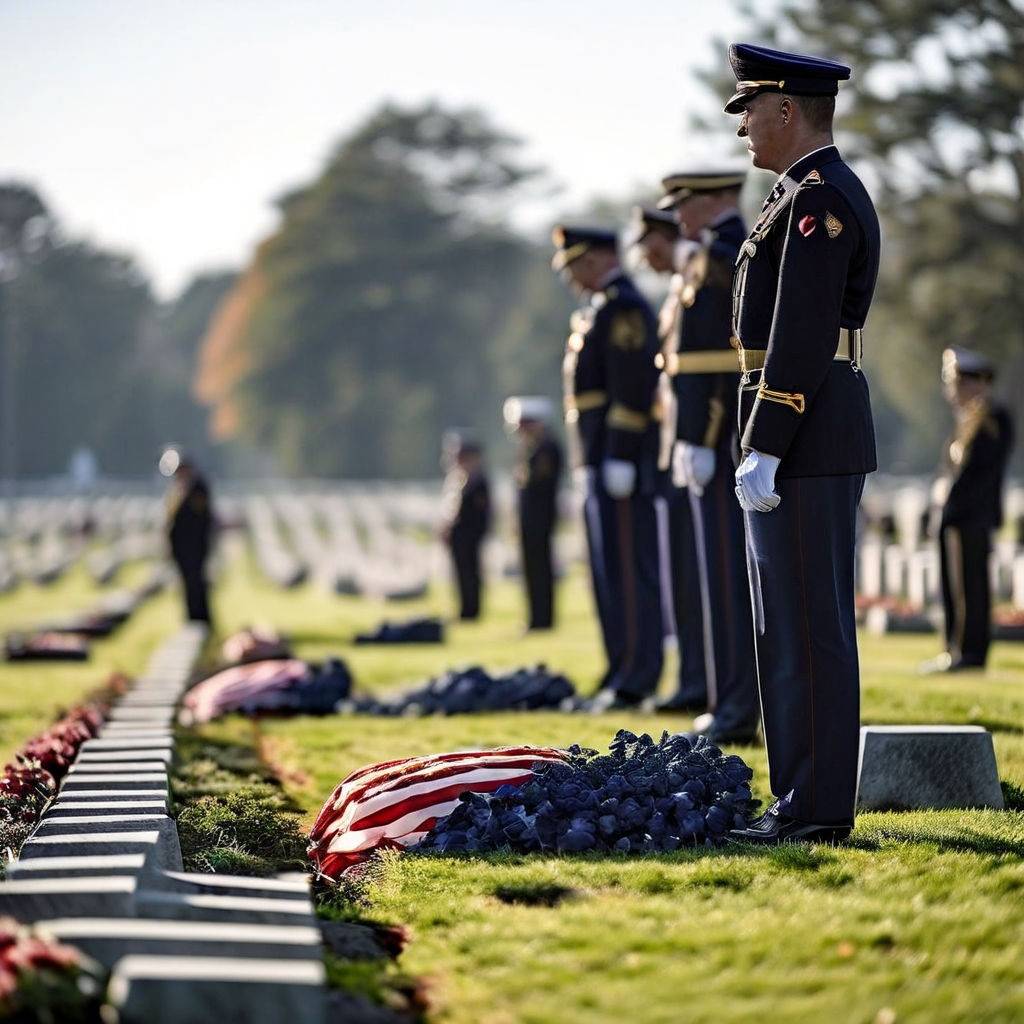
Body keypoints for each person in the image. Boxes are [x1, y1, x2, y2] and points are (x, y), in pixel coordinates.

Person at [722, 44, 881, 844]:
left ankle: (817, 807)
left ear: (787, 109)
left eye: (750, 108)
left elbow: (803, 331)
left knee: (812, 628)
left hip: (807, 432)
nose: (743, 124)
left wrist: (769, 438)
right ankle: (795, 796)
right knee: (781, 624)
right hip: (793, 428)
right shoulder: (792, 196)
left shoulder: (822, 200)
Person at [654, 172, 760, 743]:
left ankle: (737, 707)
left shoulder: (724, 255)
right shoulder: (706, 256)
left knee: (726, 576)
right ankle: (728, 702)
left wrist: (702, 433)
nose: (679, 216)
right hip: (705, 437)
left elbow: (725, 361)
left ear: (717, 200)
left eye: (686, 204)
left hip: (720, 436)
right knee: (715, 579)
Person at [552, 225, 664, 710]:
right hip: (597, 460)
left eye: (575, 265)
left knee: (626, 570)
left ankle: (637, 675)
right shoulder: (601, 308)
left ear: (597, 258)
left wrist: (619, 453)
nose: (572, 278)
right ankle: (619, 668)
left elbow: (632, 387)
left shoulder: (623, 308)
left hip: (620, 460)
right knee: (606, 574)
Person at [628, 205, 709, 715]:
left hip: (696, 442)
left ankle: (703, 682)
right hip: (673, 448)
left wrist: (700, 434)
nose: (645, 258)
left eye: (648, 245)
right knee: (681, 575)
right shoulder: (676, 293)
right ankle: (692, 678)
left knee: (698, 575)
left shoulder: (696, 284)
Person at [921, 348, 1014, 673]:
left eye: (957, 382)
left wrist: (952, 502)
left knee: (971, 590)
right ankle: (953, 648)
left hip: (973, 516)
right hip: (954, 516)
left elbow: (980, 473)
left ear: (976, 383)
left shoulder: (991, 419)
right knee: (953, 587)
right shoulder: (967, 421)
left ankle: (970, 654)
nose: (952, 390)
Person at [503, 396, 564, 631]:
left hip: (541, 519)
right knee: (531, 570)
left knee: (540, 570)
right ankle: (535, 618)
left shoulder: (546, 447)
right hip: (530, 520)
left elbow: (538, 485)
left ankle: (542, 619)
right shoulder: (531, 448)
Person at [439, 433, 492, 621]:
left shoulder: (478, 479)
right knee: (460, 574)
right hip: (458, 536)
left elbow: (479, 511)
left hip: (470, 535)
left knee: (471, 573)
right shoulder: (458, 479)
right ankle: (464, 609)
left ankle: (471, 610)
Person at [161, 447, 214, 625]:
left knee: (196, 587)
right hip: (183, 551)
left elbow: (199, 520)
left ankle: (200, 622)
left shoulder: (197, 487)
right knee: (188, 588)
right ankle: (193, 620)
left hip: (194, 549)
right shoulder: (179, 489)